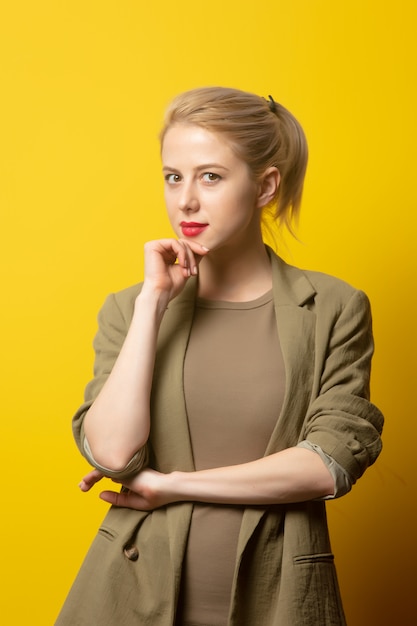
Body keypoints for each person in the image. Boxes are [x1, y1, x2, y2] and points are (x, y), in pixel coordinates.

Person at [56, 87, 384, 626]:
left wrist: (171, 485)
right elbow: (111, 456)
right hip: (129, 596)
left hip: (278, 597)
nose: (184, 200)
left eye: (210, 176)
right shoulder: (128, 308)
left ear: (265, 185)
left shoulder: (332, 308)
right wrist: (152, 304)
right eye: (172, 177)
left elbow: (328, 465)